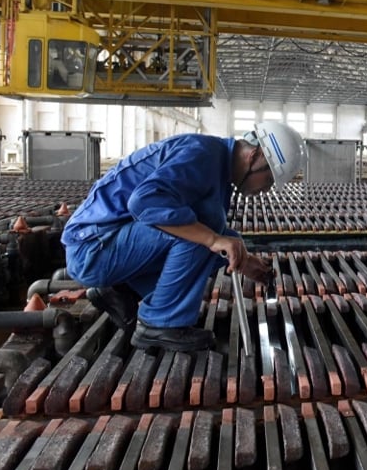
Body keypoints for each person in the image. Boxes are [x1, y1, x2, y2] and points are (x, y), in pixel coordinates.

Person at [61, 121, 307, 351]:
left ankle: (121, 290)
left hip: (107, 245)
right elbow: (144, 201)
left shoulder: (216, 162)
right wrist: (212, 239)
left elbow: (214, 232)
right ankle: (159, 323)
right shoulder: (203, 154)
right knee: (203, 233)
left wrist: (243, 259)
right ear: (255, 156)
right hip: (92, 249)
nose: (265, 190)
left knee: (216, 235)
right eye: (269, 179)